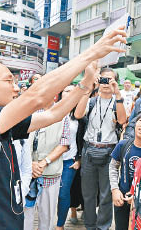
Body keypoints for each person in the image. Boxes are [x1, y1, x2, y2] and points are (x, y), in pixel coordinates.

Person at [0, 28, 127, 229]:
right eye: (9, 81)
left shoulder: (0, 124)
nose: (16, 87)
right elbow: (36, 97)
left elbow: (53, 114)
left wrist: (86, 83)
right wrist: (92, 53)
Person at [74, 68, 127, 230]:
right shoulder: (91, 101)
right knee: (88, 194)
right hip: (89, 150)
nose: (105, 83)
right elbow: (77, 114)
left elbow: (122, 120)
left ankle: (103, 227)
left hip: (109, 151)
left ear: (115, 82)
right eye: (103, 79)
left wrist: (118, 95)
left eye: (109, 80)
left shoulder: (117, 101)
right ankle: (90, 226)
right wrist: (89, 89)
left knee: (106, 194)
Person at [24, 94, 69, 230]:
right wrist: (30, 164)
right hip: (27, 172)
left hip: (50, 172)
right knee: (26, 215)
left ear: (55, 95)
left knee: (47, 216)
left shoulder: (62, 114)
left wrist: (43, 162)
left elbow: (64, 144)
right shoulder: (27, 111)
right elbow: (20, 140)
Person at [109, 111, 141, 230]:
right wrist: (114, 189)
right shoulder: (123, 145)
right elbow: (113, 167)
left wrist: (138, 197)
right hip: (122, 197)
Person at [56, 85, 86, 230]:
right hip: (51, 160)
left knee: (63, 193)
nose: (69, 93)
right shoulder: (53, 111)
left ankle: (60, 224)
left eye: (72, 91)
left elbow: (82, 140)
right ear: (61, 93)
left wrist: (79, 159)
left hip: (69, 161)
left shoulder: (79, 116)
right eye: (66, 90)